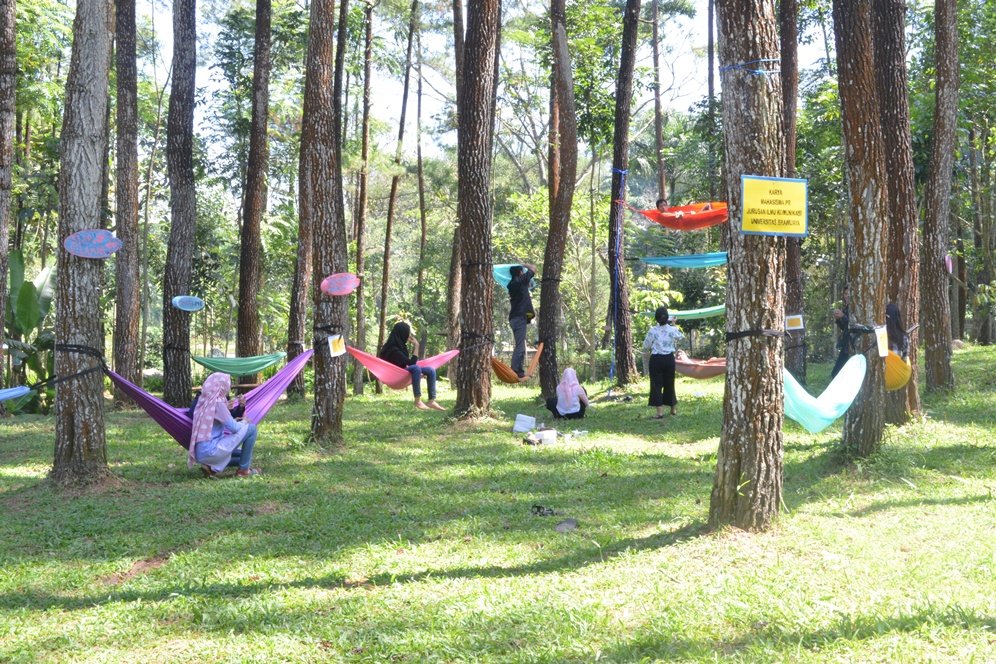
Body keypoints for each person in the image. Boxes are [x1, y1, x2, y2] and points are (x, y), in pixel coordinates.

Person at [189, 372, 260, 478]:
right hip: (210, 451)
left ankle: (211, 468)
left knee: (233, 450)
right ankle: (243, 470)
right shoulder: (218, 403)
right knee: (252, 429)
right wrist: (244, 421)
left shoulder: (204, 400)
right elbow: (234, 428)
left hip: (200, 452)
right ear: (222, 386)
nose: (229, 387)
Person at [379, 321, 446, 410]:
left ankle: (431, 401)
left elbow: (410, 363)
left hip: (403, 371)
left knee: (431, 370)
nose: (408, 336)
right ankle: (417, 400)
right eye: (407, 333)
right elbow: (412, 363)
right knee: (416, 368)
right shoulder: (393, 350)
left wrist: (416, 346)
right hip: (396, 375)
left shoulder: (400, 346)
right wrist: (416, 346)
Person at [642, 305, 683, 418]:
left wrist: (651, 348)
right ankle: (673, 410)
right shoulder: (672, 329)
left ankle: (659, 413)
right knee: (670, 383)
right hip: (669, 359)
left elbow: (645, 345)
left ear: (656, 318)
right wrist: (674, 323)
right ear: (667, 318)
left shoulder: (653, 331)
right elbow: (680, 336)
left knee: (656, 385)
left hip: (656, 359)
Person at [507, 263, 537, 379]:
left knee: (520, 344)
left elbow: (525, 287)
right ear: (520, 272)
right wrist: (523, 264)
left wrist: (527, 283)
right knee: (520, 345)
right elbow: (533, 268)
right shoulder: (521, 280)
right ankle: (516, 370)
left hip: (514, 318)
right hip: (519, 317)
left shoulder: (511, 284)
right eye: (523, 271)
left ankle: (519, 370)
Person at [831, 287, 851, 379]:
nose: (847, 296)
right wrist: (838, 320)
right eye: (845, 293)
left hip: (853, 343)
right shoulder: (846, 307)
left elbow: (855, 326)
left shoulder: (856, 308)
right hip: (846, 344)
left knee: (838, 373)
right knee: (836, 373)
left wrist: (843, 316)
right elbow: (845, 327)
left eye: (849, 293)